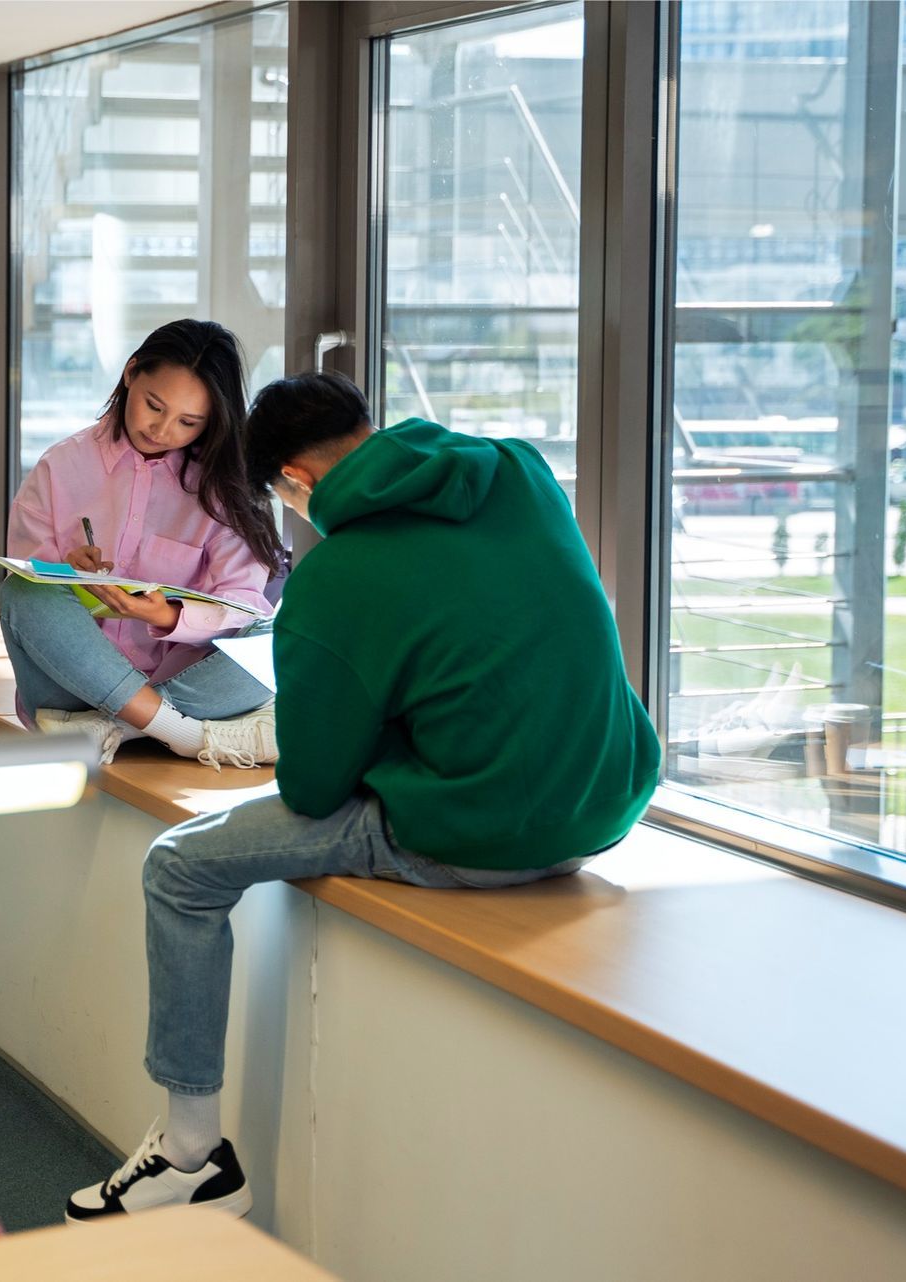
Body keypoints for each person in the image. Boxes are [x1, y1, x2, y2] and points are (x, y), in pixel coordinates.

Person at [65, 372, 660, 1223]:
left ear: (295, 483)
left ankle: (191, 1152)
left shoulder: (335, 581)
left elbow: (311, 785)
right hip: (610, 798)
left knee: (179, 865)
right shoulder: (519, 470)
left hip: (482, 834)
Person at [0, 319, 282, 768]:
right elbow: (28, 584)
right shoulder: (60, 467)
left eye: (189, 422)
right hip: (68, 691)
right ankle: (182, 733)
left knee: (284, 638)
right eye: (154, 405)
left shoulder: (226, 489)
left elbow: (244, 604)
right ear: (131, 373)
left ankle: (122, 727)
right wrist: (67, 573)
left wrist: (168, 615)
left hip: (186, 685)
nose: (162, 429)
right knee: (23, 592)